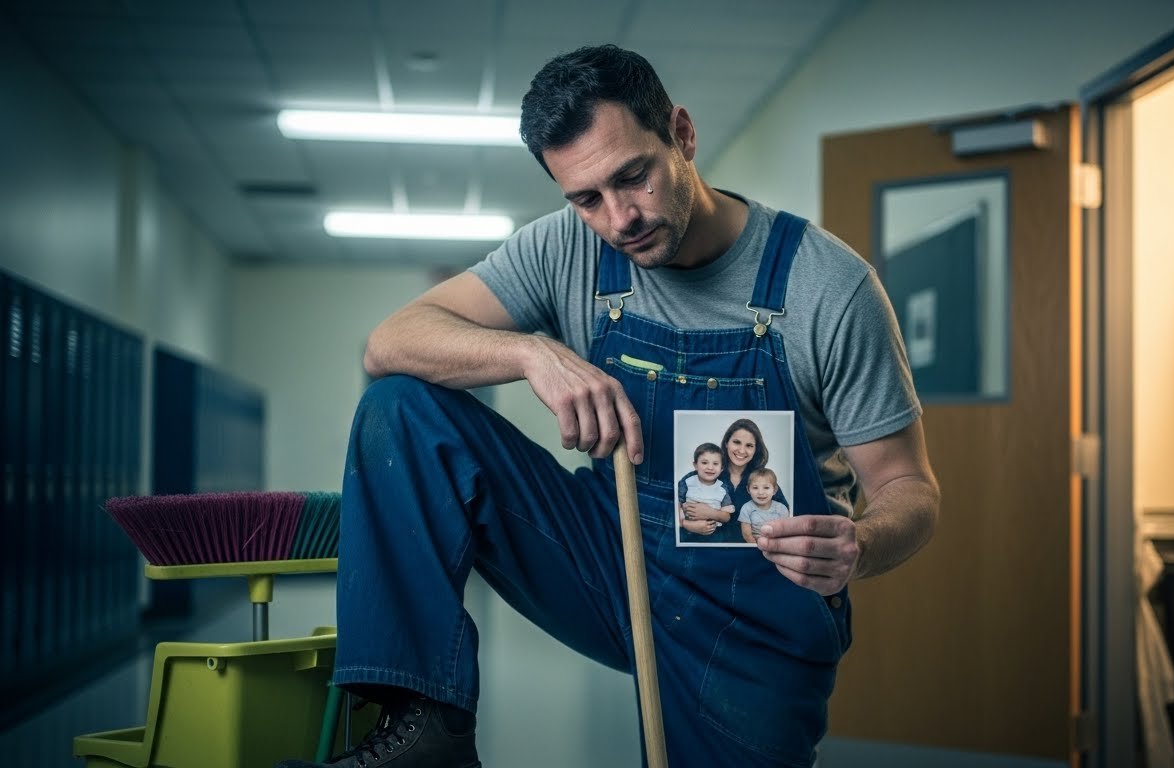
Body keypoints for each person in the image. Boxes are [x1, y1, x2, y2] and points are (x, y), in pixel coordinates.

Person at [276, 43, 939, 768]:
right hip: (607, 557)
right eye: (586, 198)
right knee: (400, 410)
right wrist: (533, 352)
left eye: (634, 177)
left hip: (752, 618)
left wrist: (861, 547)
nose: (619, 218)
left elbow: (908, 489)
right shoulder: (568, 249)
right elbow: (391, 340)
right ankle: (425, 728)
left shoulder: (827, 287)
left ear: (681, 135)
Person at [677, 442, 734, 541]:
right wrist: (684, 523)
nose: (710, 467)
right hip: (688, 532)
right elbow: (676, 504)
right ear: (695, 465)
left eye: (715, 464)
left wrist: (710, 513)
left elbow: (726, 517)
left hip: (714, 534)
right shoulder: (687, 482)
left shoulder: (722, 488)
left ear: (721, 469)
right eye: (704, 462)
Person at [739, 468, 791, 544]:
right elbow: (747, 534)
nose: (760, 492)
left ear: (775, 490)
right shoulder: (746, 508)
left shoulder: (781, 508)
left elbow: (786, 530)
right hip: (755, 546)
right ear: (748, 490)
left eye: (766, 488)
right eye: (755, 488)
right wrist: (756, 547)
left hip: (776, 545)